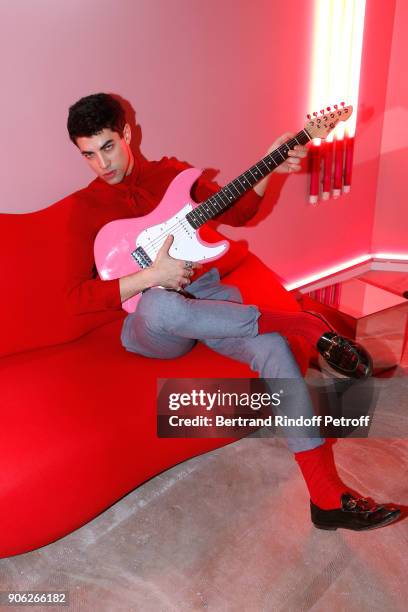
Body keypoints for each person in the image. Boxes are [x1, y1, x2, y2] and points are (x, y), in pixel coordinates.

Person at [66, 93, 400, 531]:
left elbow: (240, 210)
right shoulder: (84, 210)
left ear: (126, 134)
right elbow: (75, 298)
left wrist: (270, 166)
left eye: (107, 147)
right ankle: (304, 323)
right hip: (150, 319)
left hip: (205, 297)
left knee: (276, 350)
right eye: (88, 155)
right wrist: (151, 277)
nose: (101, 164)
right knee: (164, 306)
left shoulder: (172, 176)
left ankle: (326, 497)